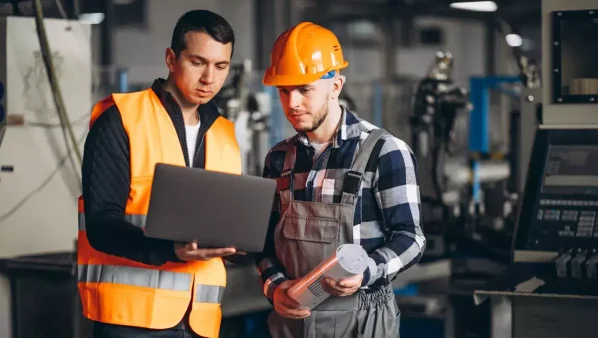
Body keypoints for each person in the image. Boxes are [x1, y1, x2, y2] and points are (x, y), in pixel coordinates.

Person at [78, 10, 243, 338]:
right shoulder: (122, 120)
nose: (209, 78)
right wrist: (169, 250)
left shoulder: (224, 134)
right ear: (171, 58)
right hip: (130, 320)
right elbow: (101, 225)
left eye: (220, 66)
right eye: (198, 62)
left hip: (199, 321)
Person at [256, 22, 426, 338]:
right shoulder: (278, 159)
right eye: (283, 90)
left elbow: (411, 238)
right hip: (292, 323)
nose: (291, 103)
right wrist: (275, 287)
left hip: (362, 322)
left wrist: (366, 272)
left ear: (336, 85)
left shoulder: (383, 151)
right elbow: (265, 244)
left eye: (304, 89)